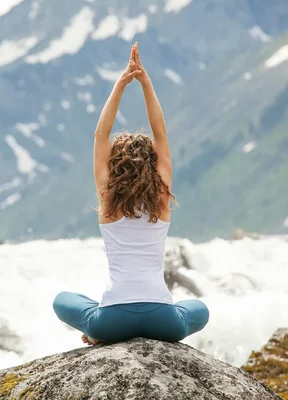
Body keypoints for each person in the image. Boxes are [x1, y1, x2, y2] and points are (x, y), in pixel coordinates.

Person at [53, 42, 209, 346]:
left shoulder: (107, 200)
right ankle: (142, 320)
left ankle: (95, 331)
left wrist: (121, 83)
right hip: (163, 319)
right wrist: (146, 83)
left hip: (111, 320)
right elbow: (160, 134)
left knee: (62, 299)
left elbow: (101, 135)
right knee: (199, 309)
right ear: (153, 167)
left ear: (114, 166)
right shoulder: (161, 199)